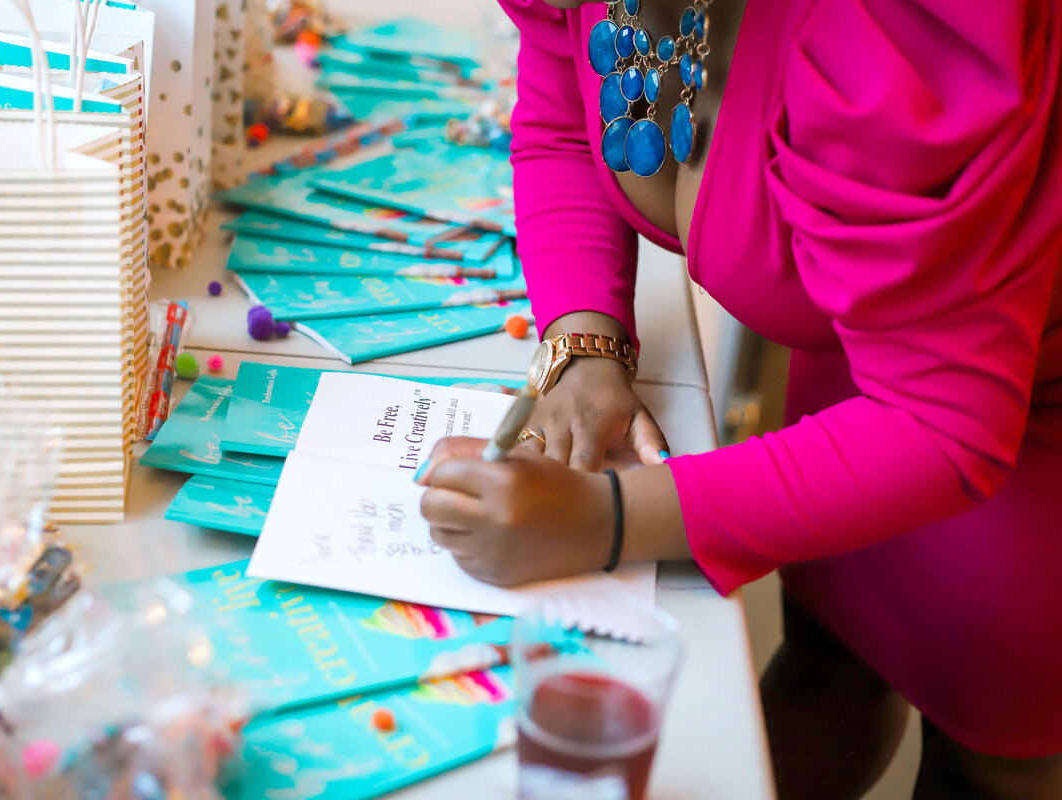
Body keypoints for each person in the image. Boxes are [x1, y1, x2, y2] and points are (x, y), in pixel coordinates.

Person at [414, 1, 1062, 797]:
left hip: (1017, 411)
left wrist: (607, 518)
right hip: (869, 341)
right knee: (832, 660)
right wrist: (585, 343)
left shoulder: (888, 35)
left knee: (989, 757)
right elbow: (565, 117)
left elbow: (937, 423)